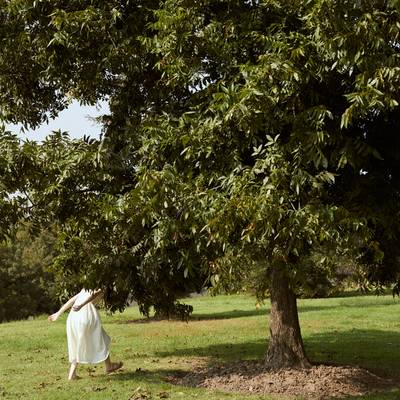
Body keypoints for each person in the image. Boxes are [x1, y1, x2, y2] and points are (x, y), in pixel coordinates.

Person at [48, 288, 123, 380]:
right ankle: (108, 366)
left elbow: (72, 300)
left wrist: (58, 313)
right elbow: (95, 294)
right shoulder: (100, 284)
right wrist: (81, 305)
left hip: (74, 317)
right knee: (94, 340)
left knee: (83, 342)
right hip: (85, 315)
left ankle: (107, 366)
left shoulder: (86, 287)